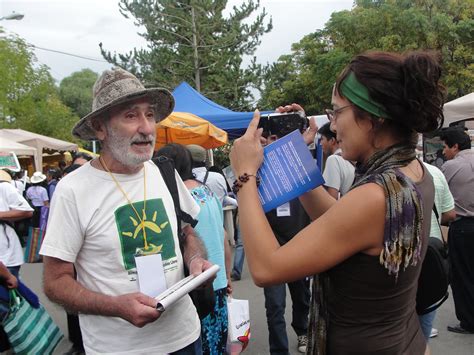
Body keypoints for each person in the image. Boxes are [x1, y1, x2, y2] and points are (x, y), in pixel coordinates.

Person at [230, 50, 445, 354]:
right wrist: (292, 155)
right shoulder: (411, 172)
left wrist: (244, 175)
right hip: (403, 341)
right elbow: (340, 222)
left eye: (337, 112)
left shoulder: (375, 195)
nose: (333, 125)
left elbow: (266, 269)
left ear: (373, 117)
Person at [40, 67, 212, 354]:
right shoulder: (72, 190)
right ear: (100, 127)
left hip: (184, 337)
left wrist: (196, 261)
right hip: (117, 348)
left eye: (149, 114)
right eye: (131, 115)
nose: (146, 127)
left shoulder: (165, 173)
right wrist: (116, 306)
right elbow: (55, 282)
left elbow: (187, 234)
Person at [157, 143, 233, 354]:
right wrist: (227, 274)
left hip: (196, 285)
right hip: (215, 277)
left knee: (201, 344)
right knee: (218, 342)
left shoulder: (175, 198)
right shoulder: (207, 190)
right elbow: (223, 234)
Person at [440, 127, 474, 334]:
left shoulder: (451, 166)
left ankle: (469, 321)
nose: (443, 151)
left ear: (455, 146)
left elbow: (442, 197)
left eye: (445, 147)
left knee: (462, 276)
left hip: (463, 227)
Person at [418, 162, 456, 340]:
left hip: (396, 260)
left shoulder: (380, 175)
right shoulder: (435, 172)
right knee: (426, 311)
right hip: (432, 253)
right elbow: (450, 213)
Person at [318, 122, 355, 199]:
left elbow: (331, 199)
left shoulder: (333, 160)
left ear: (332, 140)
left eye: (322, 139)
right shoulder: (352, 158)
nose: (320, 143)